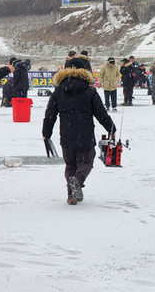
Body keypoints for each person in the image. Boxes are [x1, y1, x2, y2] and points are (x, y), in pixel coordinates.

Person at [42, 63, 116, 205]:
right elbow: (101, 113)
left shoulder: (58, 91)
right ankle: (78, 180)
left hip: (66, 135)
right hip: (85, 134)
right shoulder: (89, 91)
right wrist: (111, 128)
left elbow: (50, 115)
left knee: (70, 164)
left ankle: (71, 195)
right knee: (86, 161)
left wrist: (46, 133)